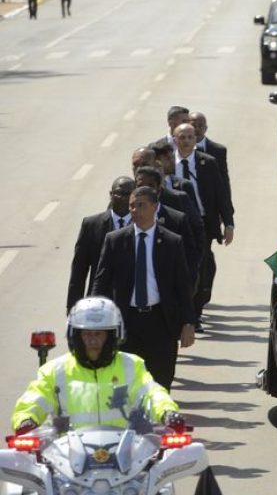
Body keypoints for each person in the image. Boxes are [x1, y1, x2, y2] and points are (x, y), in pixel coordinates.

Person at [11, 298, 183, 434]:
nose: (93, 340)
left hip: (125, 454)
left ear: (113, 336)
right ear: (76, 336)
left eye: (99, 334)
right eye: (87, 334)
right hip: (67, 459)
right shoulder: (55, 370)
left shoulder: (131, 365)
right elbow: (35, 399)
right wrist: (26, 419)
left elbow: (151, 393)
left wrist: (167, 412)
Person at [92, 186, 196, 391]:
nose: (135, 210)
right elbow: (101, 282)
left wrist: (188, 322)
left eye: (141, 205)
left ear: (155, 207)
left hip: (160, 323)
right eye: (132, 206)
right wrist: (94, 316)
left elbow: (183, 286)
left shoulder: (172, 242)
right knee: (124, 385)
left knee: (160, 383)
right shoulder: (115, 240)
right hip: (126, 322)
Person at [174, 123, 233, 329]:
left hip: (201, 224)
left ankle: (196, 313)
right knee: (178, 269)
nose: (187, 141)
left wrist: (229, 223)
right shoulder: (167, 166)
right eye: (182, 137)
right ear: (175, 140)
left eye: (190, 137)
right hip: (174, 225)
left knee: (199, 267)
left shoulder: (207, 163)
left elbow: (221, 193)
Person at [67, 177, 135, 312]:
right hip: (99, 302)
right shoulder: (91, 225)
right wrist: (73, 307)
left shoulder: (142, 225)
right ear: (111, 194)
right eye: (118, 193)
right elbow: (79, 271)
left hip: (133, 303)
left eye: (128, 194)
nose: (122, 198)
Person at [189, 111, 233, 215]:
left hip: (211, 210)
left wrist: (227, 212)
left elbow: (224, 181)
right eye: (193, 125)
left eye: (200, 126)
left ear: (206, 128)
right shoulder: (178, 150)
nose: (197, 129)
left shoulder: (218, 150)